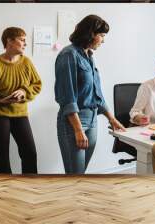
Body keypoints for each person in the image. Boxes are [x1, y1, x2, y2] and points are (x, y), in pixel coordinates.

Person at [54, 15, 125, 174]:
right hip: (74, 123)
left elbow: (96, 94)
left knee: (81, 174)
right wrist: (78, 130)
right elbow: (67, 97)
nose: (103, 40)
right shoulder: (68, 55)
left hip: (92, 121)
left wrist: (111, 119)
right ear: (91, 33)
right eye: (101, 35)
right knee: (75, 174)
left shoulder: (89, 56)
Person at [0, 27, 42, 174]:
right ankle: (4, 189)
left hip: (20, 113)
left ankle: (30, 186)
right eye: (22, 40)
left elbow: (37, 84)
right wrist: (0, 100)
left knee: (30, 152)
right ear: (9, 41)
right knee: (2, 156)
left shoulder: (26, 62)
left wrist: (24, 91)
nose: (25, 44)